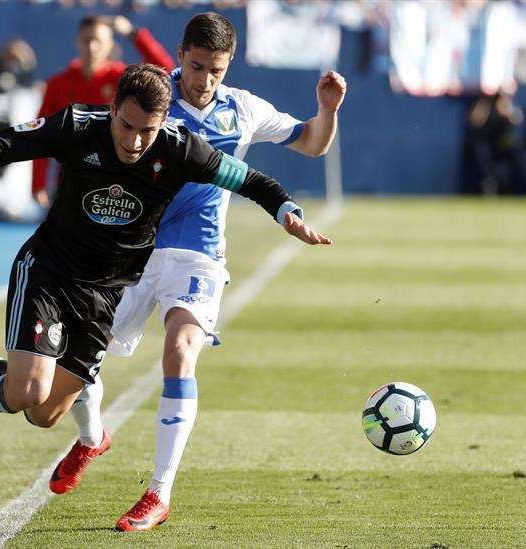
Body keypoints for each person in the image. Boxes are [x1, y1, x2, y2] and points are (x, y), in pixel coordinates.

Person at [0, 63, 331, 504]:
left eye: (147, 131)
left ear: (165, 122)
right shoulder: (79, 125)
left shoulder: (180, 149)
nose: (133, 141)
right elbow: (5, 141)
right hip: (49, 273)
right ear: (111, 108)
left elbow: (251, 180)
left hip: (106, 293)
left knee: (44, 415)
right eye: (126, 125)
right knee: (27, 392)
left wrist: (288, 211)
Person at [46, 12, 346, 532]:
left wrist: (327, 109)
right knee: (75, 362)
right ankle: (93, 438)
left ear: (229, 66)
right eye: (196, 64)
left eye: (217, 69)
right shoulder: (151, 99)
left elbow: (314, 143)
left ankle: (158, 492)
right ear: (179, 55)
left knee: (180, 352)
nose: (205, 79)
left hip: (199, 257)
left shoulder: (244, 109)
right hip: (130, 252)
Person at [32, 15, 176, 209]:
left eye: (98, 41)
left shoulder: (123, 80)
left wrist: (134, 35)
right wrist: (38, 183)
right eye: (86, 40)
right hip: (72, 179)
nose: (92, 47)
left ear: (110, 45)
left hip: (119, 177)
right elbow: (41, 134)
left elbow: (166, 73)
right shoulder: (58, 84)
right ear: (77, 42)